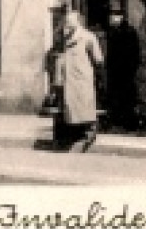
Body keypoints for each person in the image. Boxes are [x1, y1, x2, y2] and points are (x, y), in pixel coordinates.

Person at [56, 10, 104, 151]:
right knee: (72, 106)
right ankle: (75, 133)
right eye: (66, 21)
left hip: (83, 77)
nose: (67, 24)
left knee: (85, 104)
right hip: (70, 79)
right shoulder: (66, 38)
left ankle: (90, 131)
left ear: (78, 22)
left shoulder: (88, 37)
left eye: (70, 21)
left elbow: (98, 58)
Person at [103, 9, 141, 131]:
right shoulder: (115, 31)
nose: (111, 19)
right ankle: (121, 121)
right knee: (120, 96)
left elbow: (134, 53)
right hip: (119, 70)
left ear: (120, 17)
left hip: (123, 70)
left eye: (113, 17)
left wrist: (130, 67)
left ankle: (128, 122)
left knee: (124, 96)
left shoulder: (126, 32)